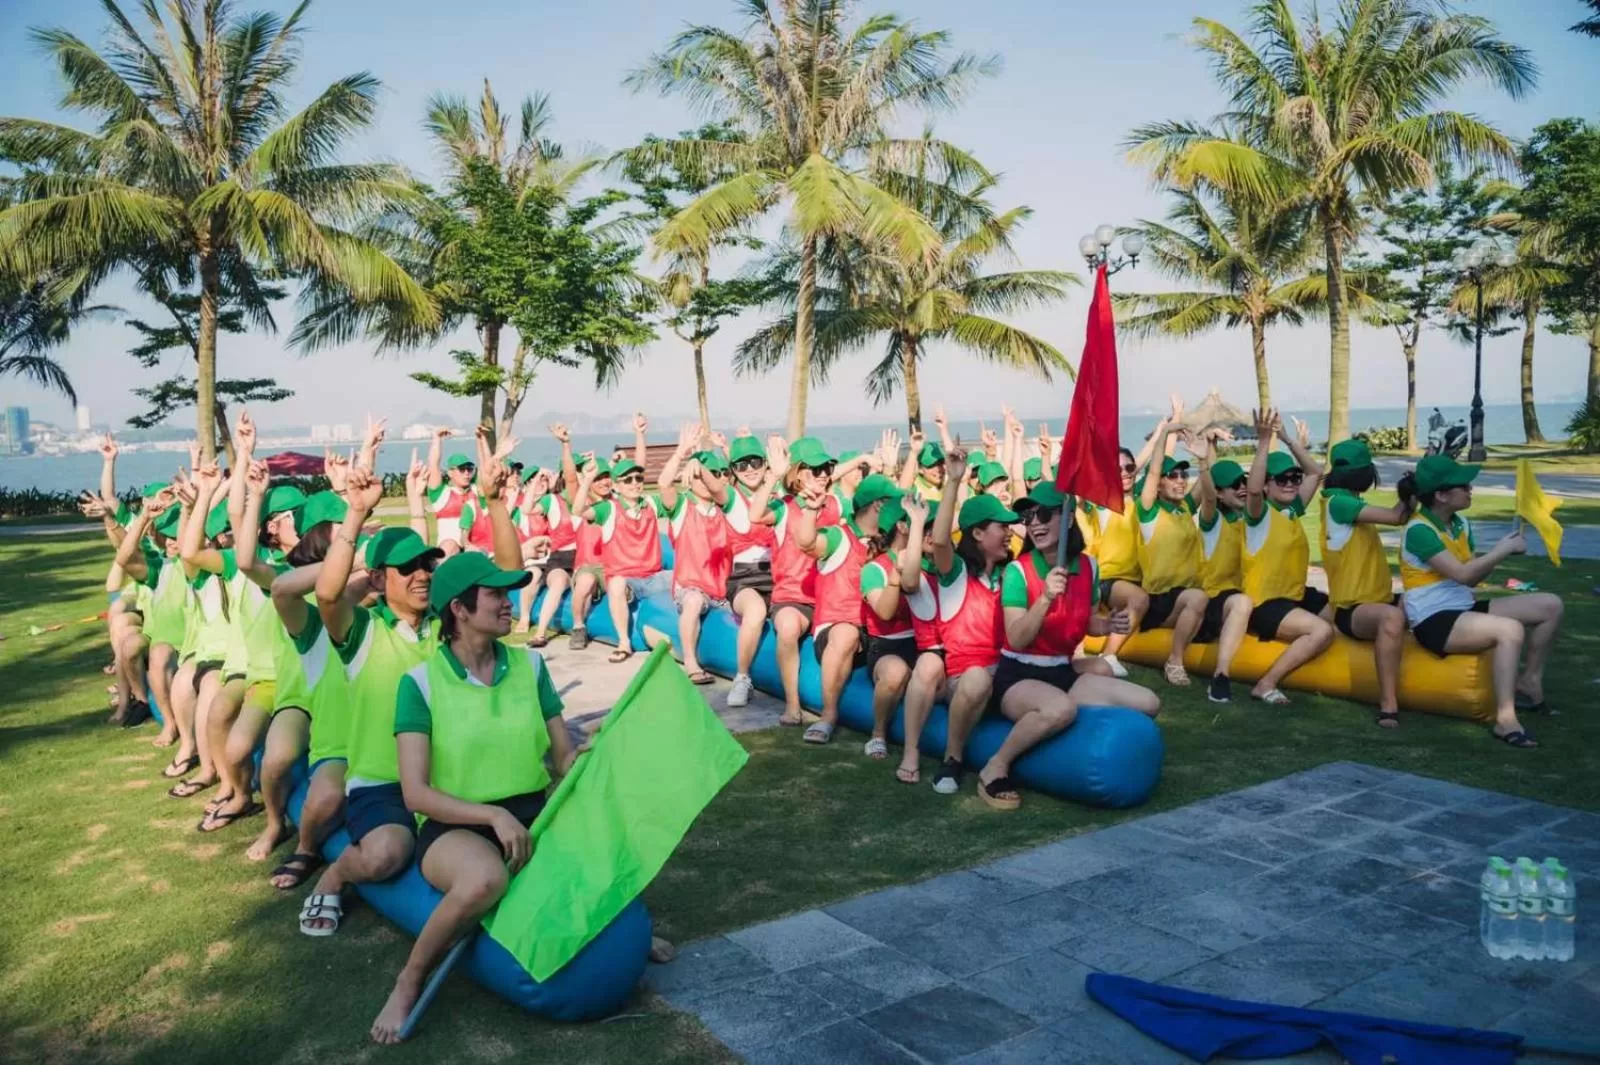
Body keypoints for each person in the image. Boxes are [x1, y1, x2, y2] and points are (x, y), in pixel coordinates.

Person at [299, 434, 517, 936]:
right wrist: (355, 514)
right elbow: (328, 595)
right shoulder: (363, 633)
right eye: (408, 568)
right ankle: (335, 875)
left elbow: (506, 575)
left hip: (451, 780)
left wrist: (495, 501)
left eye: (427, 564)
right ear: (378, 580)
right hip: (384, 783)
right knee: (386, 854)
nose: (422, 575)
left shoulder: (448, 626)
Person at [368, 552, 583, 1044]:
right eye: (495, 595)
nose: (508, 604)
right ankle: (409, 980)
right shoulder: (420, 683)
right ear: (459, 610)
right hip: (454, 826)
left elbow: (562, 757)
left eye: (508, 594)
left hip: (532, 814)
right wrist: (493, 815)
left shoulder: (531, 665)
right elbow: (415, 794)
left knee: (601, 842)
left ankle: (623, 936)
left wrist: (586, 759)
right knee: (486, 880)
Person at [982, 481, 1161, 809]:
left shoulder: (1088, 566)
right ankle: (996, 766)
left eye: (1043, 515)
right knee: (1060, 709)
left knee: (1149, 702)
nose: (1033, 523)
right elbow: (1016, 638)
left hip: (1062, 671)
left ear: (1066, 519)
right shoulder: (1018, 571)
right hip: (1018, 674)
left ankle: (1075, 742)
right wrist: (1045, 597)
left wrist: (1107, 625)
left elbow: (1088, 622)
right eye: (1028, 516)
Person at [1397, 455, 1563, 748]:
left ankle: (1529, 681)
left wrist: (1500, 554)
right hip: (1432, 620)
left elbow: (1471, 580)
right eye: (1464, 485)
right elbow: (1462, 574)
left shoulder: (1460, 524)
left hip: (1462, 607)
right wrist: (1501, 550)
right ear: (1441, 495)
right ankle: (1505, 720)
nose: (1470, 489)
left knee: (1551, 605)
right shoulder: (1419, 530)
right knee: (1510, 630)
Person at [920, 447, 1007, 796]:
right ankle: (952, 758)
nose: (1010, 533)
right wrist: (954, 481)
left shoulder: (1009, 573)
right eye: (1002, 526)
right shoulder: (955, 573)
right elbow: (941, 540)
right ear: (978, 534)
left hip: (1007, 673)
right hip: (966, 678)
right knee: (977, 678)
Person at [795, 470, 904, 745]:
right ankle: (828, 714)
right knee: (846, 633)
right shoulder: (840, 536)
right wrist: (811, 510)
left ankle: (881, 733)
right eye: (894, 503)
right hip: (836, 631)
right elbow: (807, 542)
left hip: (878, 637)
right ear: (879, 505)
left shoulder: (889, 541)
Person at [1240, 408, 1335, 705]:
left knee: (1343, 608)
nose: (1292, 483)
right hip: (1264, 603)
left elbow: (1316, 473)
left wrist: (1287, 439)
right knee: (1321, 631)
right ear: (1267, 484)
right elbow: (1253, 491)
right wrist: (1264, 442)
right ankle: (1266, 683)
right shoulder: (1258, 516)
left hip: (1295, 595)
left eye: (1294, 477)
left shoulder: (1292, 510)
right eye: (1282, 479)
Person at [1319, 439, 1412, 728]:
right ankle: (1388, 704)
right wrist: (1413, 486)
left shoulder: (1348, 500)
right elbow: (1397, 516)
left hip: (1377, 599)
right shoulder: (1340, 503)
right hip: (1352, 610)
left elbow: (1403, 513)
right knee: (1391, 617)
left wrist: (1415, 489)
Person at [166, 473, 238, 801]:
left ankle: (212, 771)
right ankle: (192, 751)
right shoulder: (200, 574)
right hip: (208, 654)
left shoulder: (239, 565)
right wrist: (191, 506)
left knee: (210, 692)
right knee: (182, 683)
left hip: (231, 660)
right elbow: (188, 550)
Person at [578, 415, 667, 665]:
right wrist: (587, 480)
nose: (635, 483)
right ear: (616, 486)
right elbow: (578, 510)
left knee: (687, 579)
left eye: (638, 479)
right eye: (627, 480)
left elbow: (639, 465)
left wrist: (639, 434)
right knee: (616, 584)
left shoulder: (650, 503)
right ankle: (624, 642)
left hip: (655, 576)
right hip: (626, 578)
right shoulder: (609, 509)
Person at [1133, 400, 1209, 687]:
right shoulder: (1149, 512)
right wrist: (1165, 433)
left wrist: (1206, 455)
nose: (1180, 480)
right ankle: (1175, 662)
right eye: (1173, 476)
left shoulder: (1185, 507)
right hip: (1160, 598)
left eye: (1183, 475)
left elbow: (1207, 487)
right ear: (1160, 483)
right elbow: (1152, 472)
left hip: (1185, 594)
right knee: (1198, 599)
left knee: (1202, 598)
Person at [658, 426, 734, 684]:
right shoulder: (683, 507)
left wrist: (726, 449)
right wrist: (681, 453)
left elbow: (745, 486)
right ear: (691, 478)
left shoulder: (726, 508)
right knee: (692, 602)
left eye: (717, 474)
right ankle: (690, 660)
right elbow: (664, 484)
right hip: (692, 587)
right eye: (703, 475)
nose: (712, 480)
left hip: (723, 591)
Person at [1083, 432, 1162, 678]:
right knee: (1139, 599)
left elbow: (1153, 467)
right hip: (1108, 579)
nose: (1125, 473)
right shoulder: (1104, 502)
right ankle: (1108, 656)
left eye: (1129, 468)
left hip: (1138, 579)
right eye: (1117, 469)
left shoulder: (1141, 502)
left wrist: (1163, 432)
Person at [768, 436, 835, 727]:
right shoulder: (784, 508)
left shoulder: (835, 505)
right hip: (792, 598)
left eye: (827, 468)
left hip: (828, 601)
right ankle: (792, 705)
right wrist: (774, 475)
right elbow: (755, 514)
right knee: (787, 628)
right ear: (797, 473)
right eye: (815, 469)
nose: (823, 474)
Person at [1187, 433, 1254, 704]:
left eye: (1244, 481)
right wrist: (1203, 464)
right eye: (1234, 485)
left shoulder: (1250, 518)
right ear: (1219, 493)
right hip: (1214, 602)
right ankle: (1221, 676)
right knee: (1241, 602)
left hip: (1244, 595)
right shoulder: (1212, 521)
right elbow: (1208, 499)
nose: (1242, 488)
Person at [722, 433, 784, 707]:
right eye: (741, 465)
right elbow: (713, 486)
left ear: (765, 463)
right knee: (756, 610)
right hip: (745, 577)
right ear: (733, 470)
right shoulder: (731, 496)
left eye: (755, 462)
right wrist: (694, 461)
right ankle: (742, 677)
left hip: (780, 574)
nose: (749, 469)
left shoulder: (780, 494)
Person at [425, 427, 477, 553]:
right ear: (450, 472)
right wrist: (437, 439)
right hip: (449, 549)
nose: (466, 473)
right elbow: (433, 465)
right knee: (450, 545)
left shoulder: (476, 490)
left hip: (475, 547)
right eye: (462, 469)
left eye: (469, 469)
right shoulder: (441, 494)